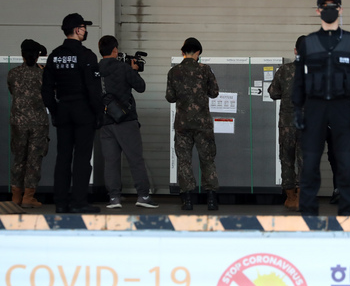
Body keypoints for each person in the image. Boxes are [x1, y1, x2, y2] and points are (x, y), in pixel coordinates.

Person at [292, 0, 350, 216]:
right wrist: (297, 109)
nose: (329, 10)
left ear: (340, 9)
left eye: (333, 6)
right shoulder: (308, 43)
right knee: (310, 163)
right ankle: (308, 215)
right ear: (318, 10)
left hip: (342, 107)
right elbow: (299, 79)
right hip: (315, 108)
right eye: (324, 6)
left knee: (345, 162)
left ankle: (347, 215)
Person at [42, 13, 103, 214]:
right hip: (83, 111)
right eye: (84, 27)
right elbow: (93, 89)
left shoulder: (54, 56)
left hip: (63, 111)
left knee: (63, 158)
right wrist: (99, 113)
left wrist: (55, 111)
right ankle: (79, 202)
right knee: (82, 159)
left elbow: (46, 89)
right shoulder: (87, 56)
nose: (86, 31)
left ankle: (60, 203)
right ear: (77, 30)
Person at [97, 35, 158, 209]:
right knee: (135, 159)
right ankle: (143, 196)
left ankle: (114, 198)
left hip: (105, 121)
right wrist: (133, 70)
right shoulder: (123, 68)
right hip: (126, 120)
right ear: (115, 50)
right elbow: (141, 86)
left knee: (111, 161)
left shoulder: (95, 69)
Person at [165, 37, 220, 211]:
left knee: (184, 161)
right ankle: (211, 200)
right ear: (198, 53)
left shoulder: (174, 72)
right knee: (207, 160)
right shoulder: (205, 70)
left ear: (183, 52)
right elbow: (214, 92)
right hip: (203, 124)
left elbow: (170, 97)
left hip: (182, 124)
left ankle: (187, 200)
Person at [7, 39, 49, 208]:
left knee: (18, 158)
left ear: (22, 54)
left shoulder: (12, 73)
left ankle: (16, 196)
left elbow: (12, 90)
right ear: (38, 56)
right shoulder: (43, 74)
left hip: (18, 121)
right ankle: (28, 197)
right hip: (38, 122)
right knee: (34, 159)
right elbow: (48, 94)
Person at [268, 35, 305, 211]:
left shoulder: (284, 70)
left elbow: (273, 93)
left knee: (287, 160)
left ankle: (290, 198)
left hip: (287, 124)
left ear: (295, 50)